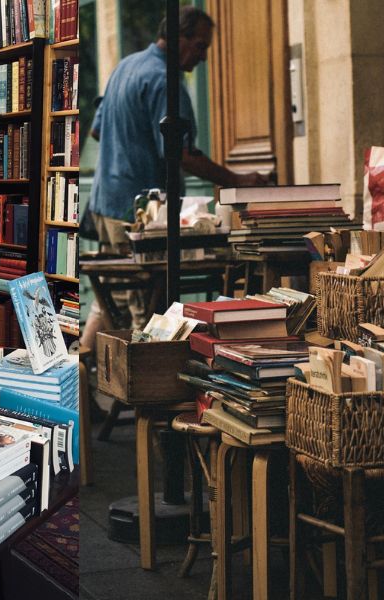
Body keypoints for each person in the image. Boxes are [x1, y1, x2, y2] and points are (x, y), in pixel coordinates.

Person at [80, 6, 269, 351]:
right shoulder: (166, 81)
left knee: (107, 299)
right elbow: (180, 153)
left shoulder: (126, 66)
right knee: (145, 311)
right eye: (200, 46)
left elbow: (96, 131)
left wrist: (129, 143)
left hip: (106, 202)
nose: (203, 56)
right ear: (179, 38)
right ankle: (146, 401)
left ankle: (86, 385)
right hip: (137, 212)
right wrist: (235, 178)